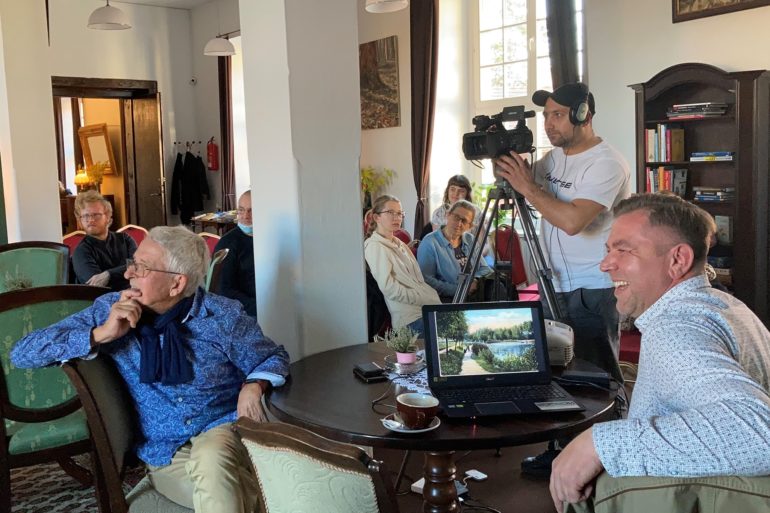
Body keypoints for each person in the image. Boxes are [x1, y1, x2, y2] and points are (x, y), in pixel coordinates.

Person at [12, 225, 290, 513]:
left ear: (177, 284)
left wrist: (254, 384)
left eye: (142, 267)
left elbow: (273, 357)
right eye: (132, 263)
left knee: (212, 457)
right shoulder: (110, 309)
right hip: (165, 452)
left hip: (221, 430)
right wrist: (101, 334)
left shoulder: (221, 316)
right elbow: (23, 353)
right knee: (233, 490)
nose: (128, 274)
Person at [550, 193, 770, 513]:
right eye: (608, 250)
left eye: (624, 250)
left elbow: (760, 433)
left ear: (678, 260)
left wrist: (600, 443)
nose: (606, 264)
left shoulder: (676, 328)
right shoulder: (729, 306)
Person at [494, 82, 631, 476]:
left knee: (595, 380)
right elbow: (517, 187)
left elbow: (573, 221)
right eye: (545, 116)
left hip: (593, 288)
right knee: (555, 374)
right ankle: (561, 452)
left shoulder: (606, 163)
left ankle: (606, 464)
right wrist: (505, 162)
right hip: (552, 283)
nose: (548, 124)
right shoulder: (552, 160)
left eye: (556, 115)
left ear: (582, 114)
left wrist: (528, 186)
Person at [364, 194, 440, 337]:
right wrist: (422, 297)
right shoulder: (374, 246)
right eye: (390, 212)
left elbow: (418, 281)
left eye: (399, 213)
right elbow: (389, 288)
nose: (397, 217)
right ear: (376, 217)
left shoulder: (401, 244)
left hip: (427, 308)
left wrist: (429, 297)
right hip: (409, 319)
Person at [417, 199, 493, 302]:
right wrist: (459, 289)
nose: (459, 223)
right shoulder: (429, 242)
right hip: (448, 299)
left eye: (464, 221)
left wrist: (474, 280)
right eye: (456, 217)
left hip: (474, 294)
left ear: (470, 226)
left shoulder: (470, 239)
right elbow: (427, 280)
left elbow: (485, 269)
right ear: (448, 215)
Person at [72, 190, 137, 291]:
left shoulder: (125, 239)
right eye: (85, 216)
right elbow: (97, 287)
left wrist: (108, 274)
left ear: (108, 217)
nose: (91, 220)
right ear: (80, 220)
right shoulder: (81, 251)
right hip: (104, 298)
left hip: (135, 292)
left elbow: (138, 266)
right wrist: (126, 270)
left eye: (96, 215)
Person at [213, 190, 256, 317]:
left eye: (251, 210)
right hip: (245, 311)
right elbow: (223, 290)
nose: (246, 216)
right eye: (241, 210)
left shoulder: (267, 237)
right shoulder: (228, 243)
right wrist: (259, 307)